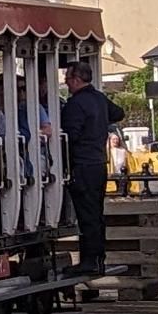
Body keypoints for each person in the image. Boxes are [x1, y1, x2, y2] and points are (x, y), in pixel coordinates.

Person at [60, 61, 117, 275]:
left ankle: (90, 260)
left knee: (87, 214)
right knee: (96, 212)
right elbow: (118, 113)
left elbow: (70, 135)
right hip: (99, 163)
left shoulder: (76, 104)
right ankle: (98, 258)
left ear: (76, 79)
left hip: (82, 164)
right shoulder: (99, 99)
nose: (65, 82)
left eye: (67, 78)